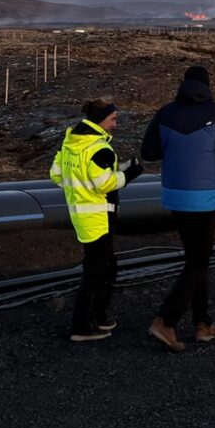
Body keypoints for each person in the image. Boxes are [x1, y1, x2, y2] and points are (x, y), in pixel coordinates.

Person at [138, 63, 215, 351]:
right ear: (207, 86)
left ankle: (203, 325)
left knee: (196, 260)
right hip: (204, 197)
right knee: (198, 262)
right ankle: (165, 321)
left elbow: (149, 153)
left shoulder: (165, 112)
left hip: (175, 196)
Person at [51, 101, 135, 343]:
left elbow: (57, 175)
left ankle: (99, 316)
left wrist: (78, 192)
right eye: (113, 119)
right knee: (96, 273)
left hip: (81, 215)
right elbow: (105, 184)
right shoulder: (99, 148)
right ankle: (82, 326)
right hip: (99, 218)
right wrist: (130, 173)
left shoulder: (71, 144)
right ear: (100, 120)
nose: (115, 124)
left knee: (106, 267)